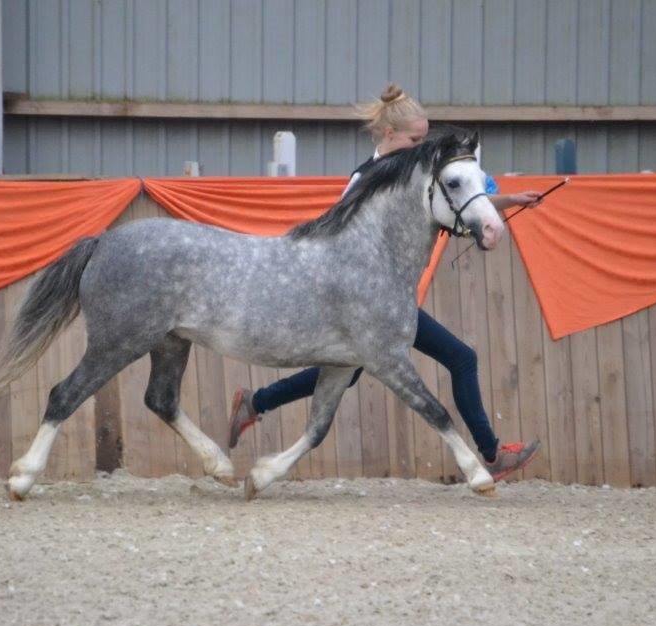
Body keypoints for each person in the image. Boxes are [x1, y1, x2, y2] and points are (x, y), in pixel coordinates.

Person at [229, 84, 541, 481]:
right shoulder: (366, 178)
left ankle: (255, 403)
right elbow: (336, 236)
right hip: (364, 304)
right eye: (415, 138)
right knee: (430, 361)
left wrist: (509, 202)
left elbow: (459, 202)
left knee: (424, 362)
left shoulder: (415, 173)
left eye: (423, 138)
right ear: (390, 135)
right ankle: (491, 455)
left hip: (390, 301)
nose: (421, 145)